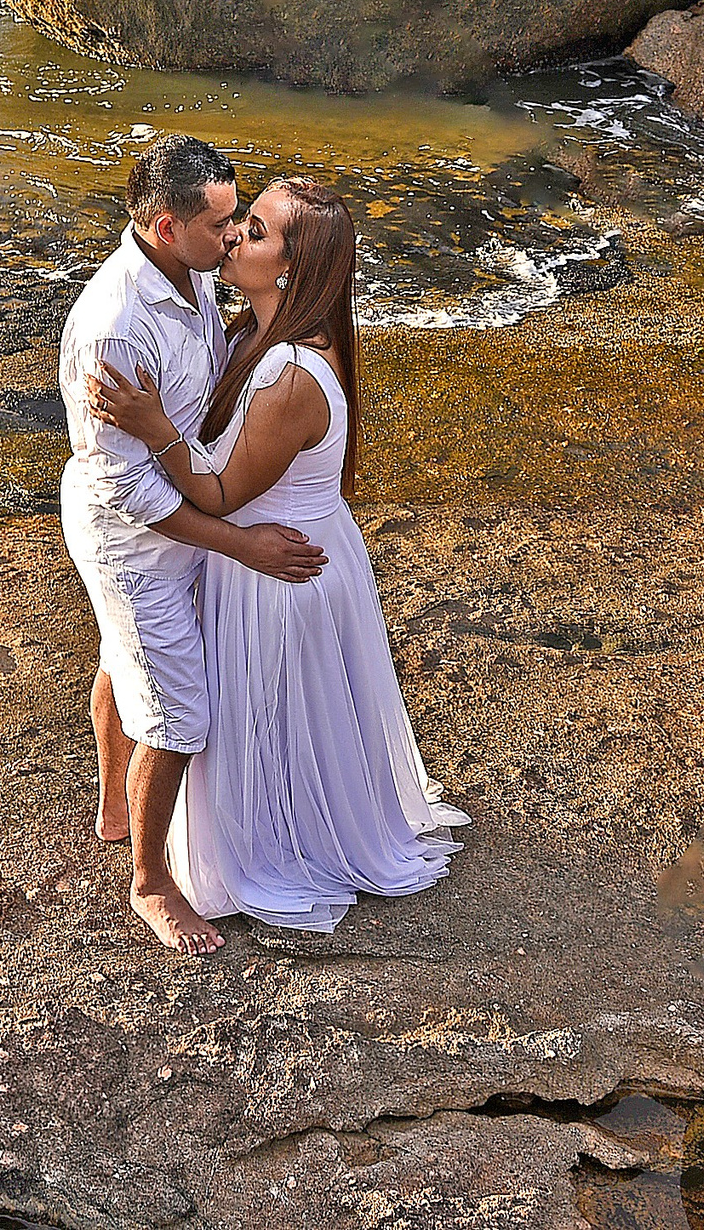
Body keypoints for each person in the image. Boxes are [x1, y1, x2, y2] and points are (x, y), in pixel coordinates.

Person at [90, 177, 466, 936]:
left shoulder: (292, 373)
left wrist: (148, 420)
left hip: (276, 571)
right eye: (239, 223)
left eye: (254, 231)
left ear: (290, 269)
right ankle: (116, 808)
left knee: (270, 726)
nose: (232, 238)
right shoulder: (250, 332)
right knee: (132, 657)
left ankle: (237, 845)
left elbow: (222, 493)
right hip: (261, 559)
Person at [58, 135, 329, 956]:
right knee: (179, 717)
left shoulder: (194, 274)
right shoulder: (114, 328)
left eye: (243, 218)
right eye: (221, 225)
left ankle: (114, 804)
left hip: (173, 520)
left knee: (119, 658)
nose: (236, 235)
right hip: (135, 539)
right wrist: (238, 543)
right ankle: (150, 882)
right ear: (167, 226)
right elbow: (128, 489)